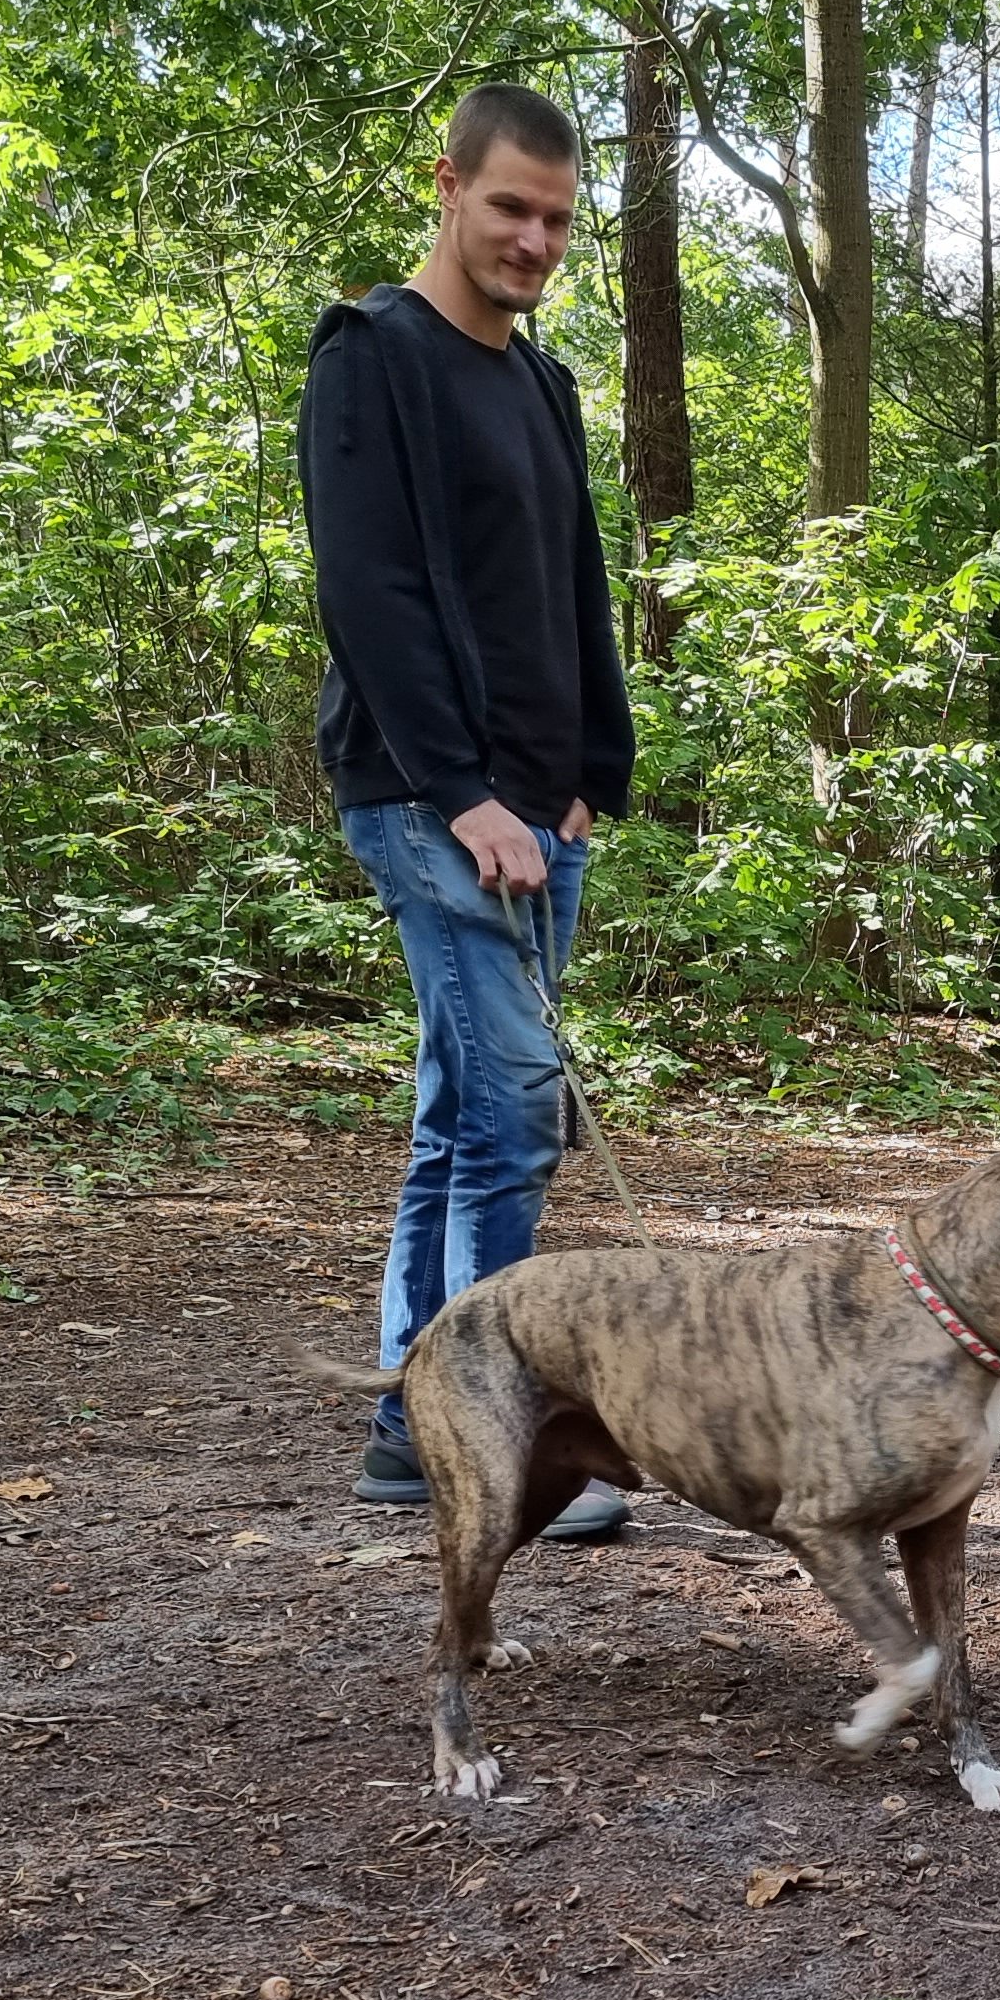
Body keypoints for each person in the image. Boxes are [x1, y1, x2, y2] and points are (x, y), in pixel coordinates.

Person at [298, 83, 636, 1538]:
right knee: (511, 1122)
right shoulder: (373, 356)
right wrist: (460, 796)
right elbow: (365, 587)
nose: (535, 239)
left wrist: (579, 779)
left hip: (533, 813)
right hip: (431, 799)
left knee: (456, 1122)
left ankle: (404, 1425)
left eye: (559, 219)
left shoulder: (541, 381)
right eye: (511, 207)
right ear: (448, 187)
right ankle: (484, 1441)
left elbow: (572, 591)